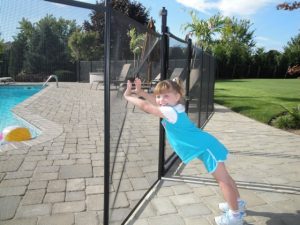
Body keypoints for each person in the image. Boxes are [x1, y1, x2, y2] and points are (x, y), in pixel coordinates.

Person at [124, 78, 246, 225]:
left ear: (177, 96)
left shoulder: (170, 111)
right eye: (158, 96)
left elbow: (147, 106)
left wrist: (129, 96)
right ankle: (237, 203)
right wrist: (141, 92)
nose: (161, 100)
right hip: (205, 146)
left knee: (223, 181)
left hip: (207, 148)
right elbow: (157, 104)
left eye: (166, 96)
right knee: (225, 178)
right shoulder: (176, 106)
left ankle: (235, 216)